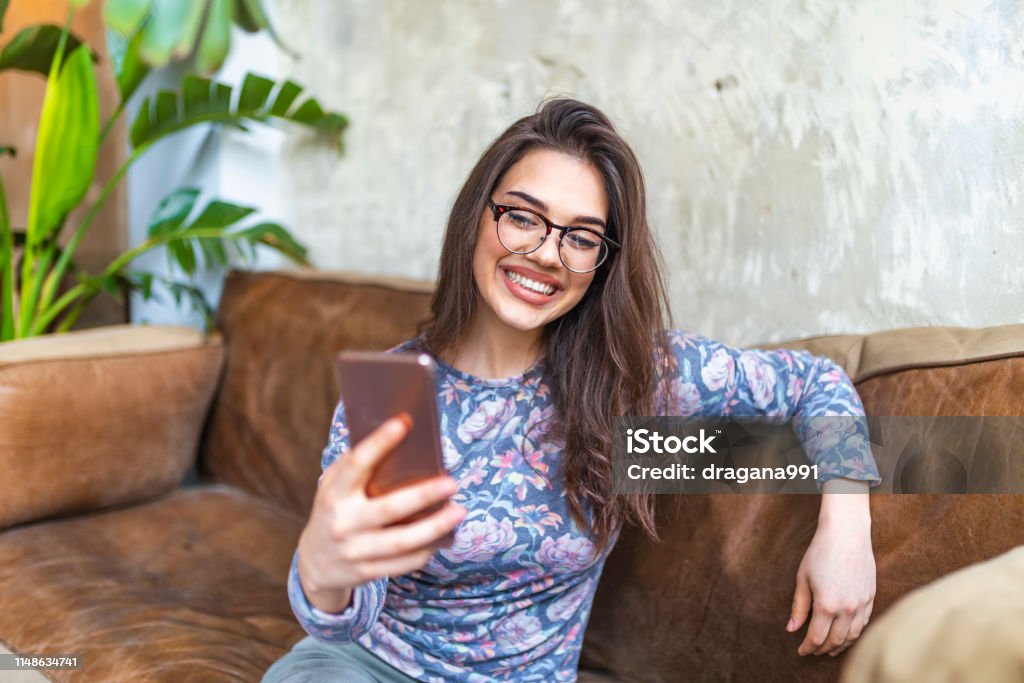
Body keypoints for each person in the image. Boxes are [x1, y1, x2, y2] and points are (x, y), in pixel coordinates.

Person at [263, 98, 880, 683]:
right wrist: (323, 574)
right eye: (523, 217)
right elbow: (347, 609)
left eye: (581, 237)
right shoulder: (400, 393)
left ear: (602, 261)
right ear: (478, 216)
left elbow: (815, 383)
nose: (547, 254)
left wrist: (846, 530)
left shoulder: (634, 382)